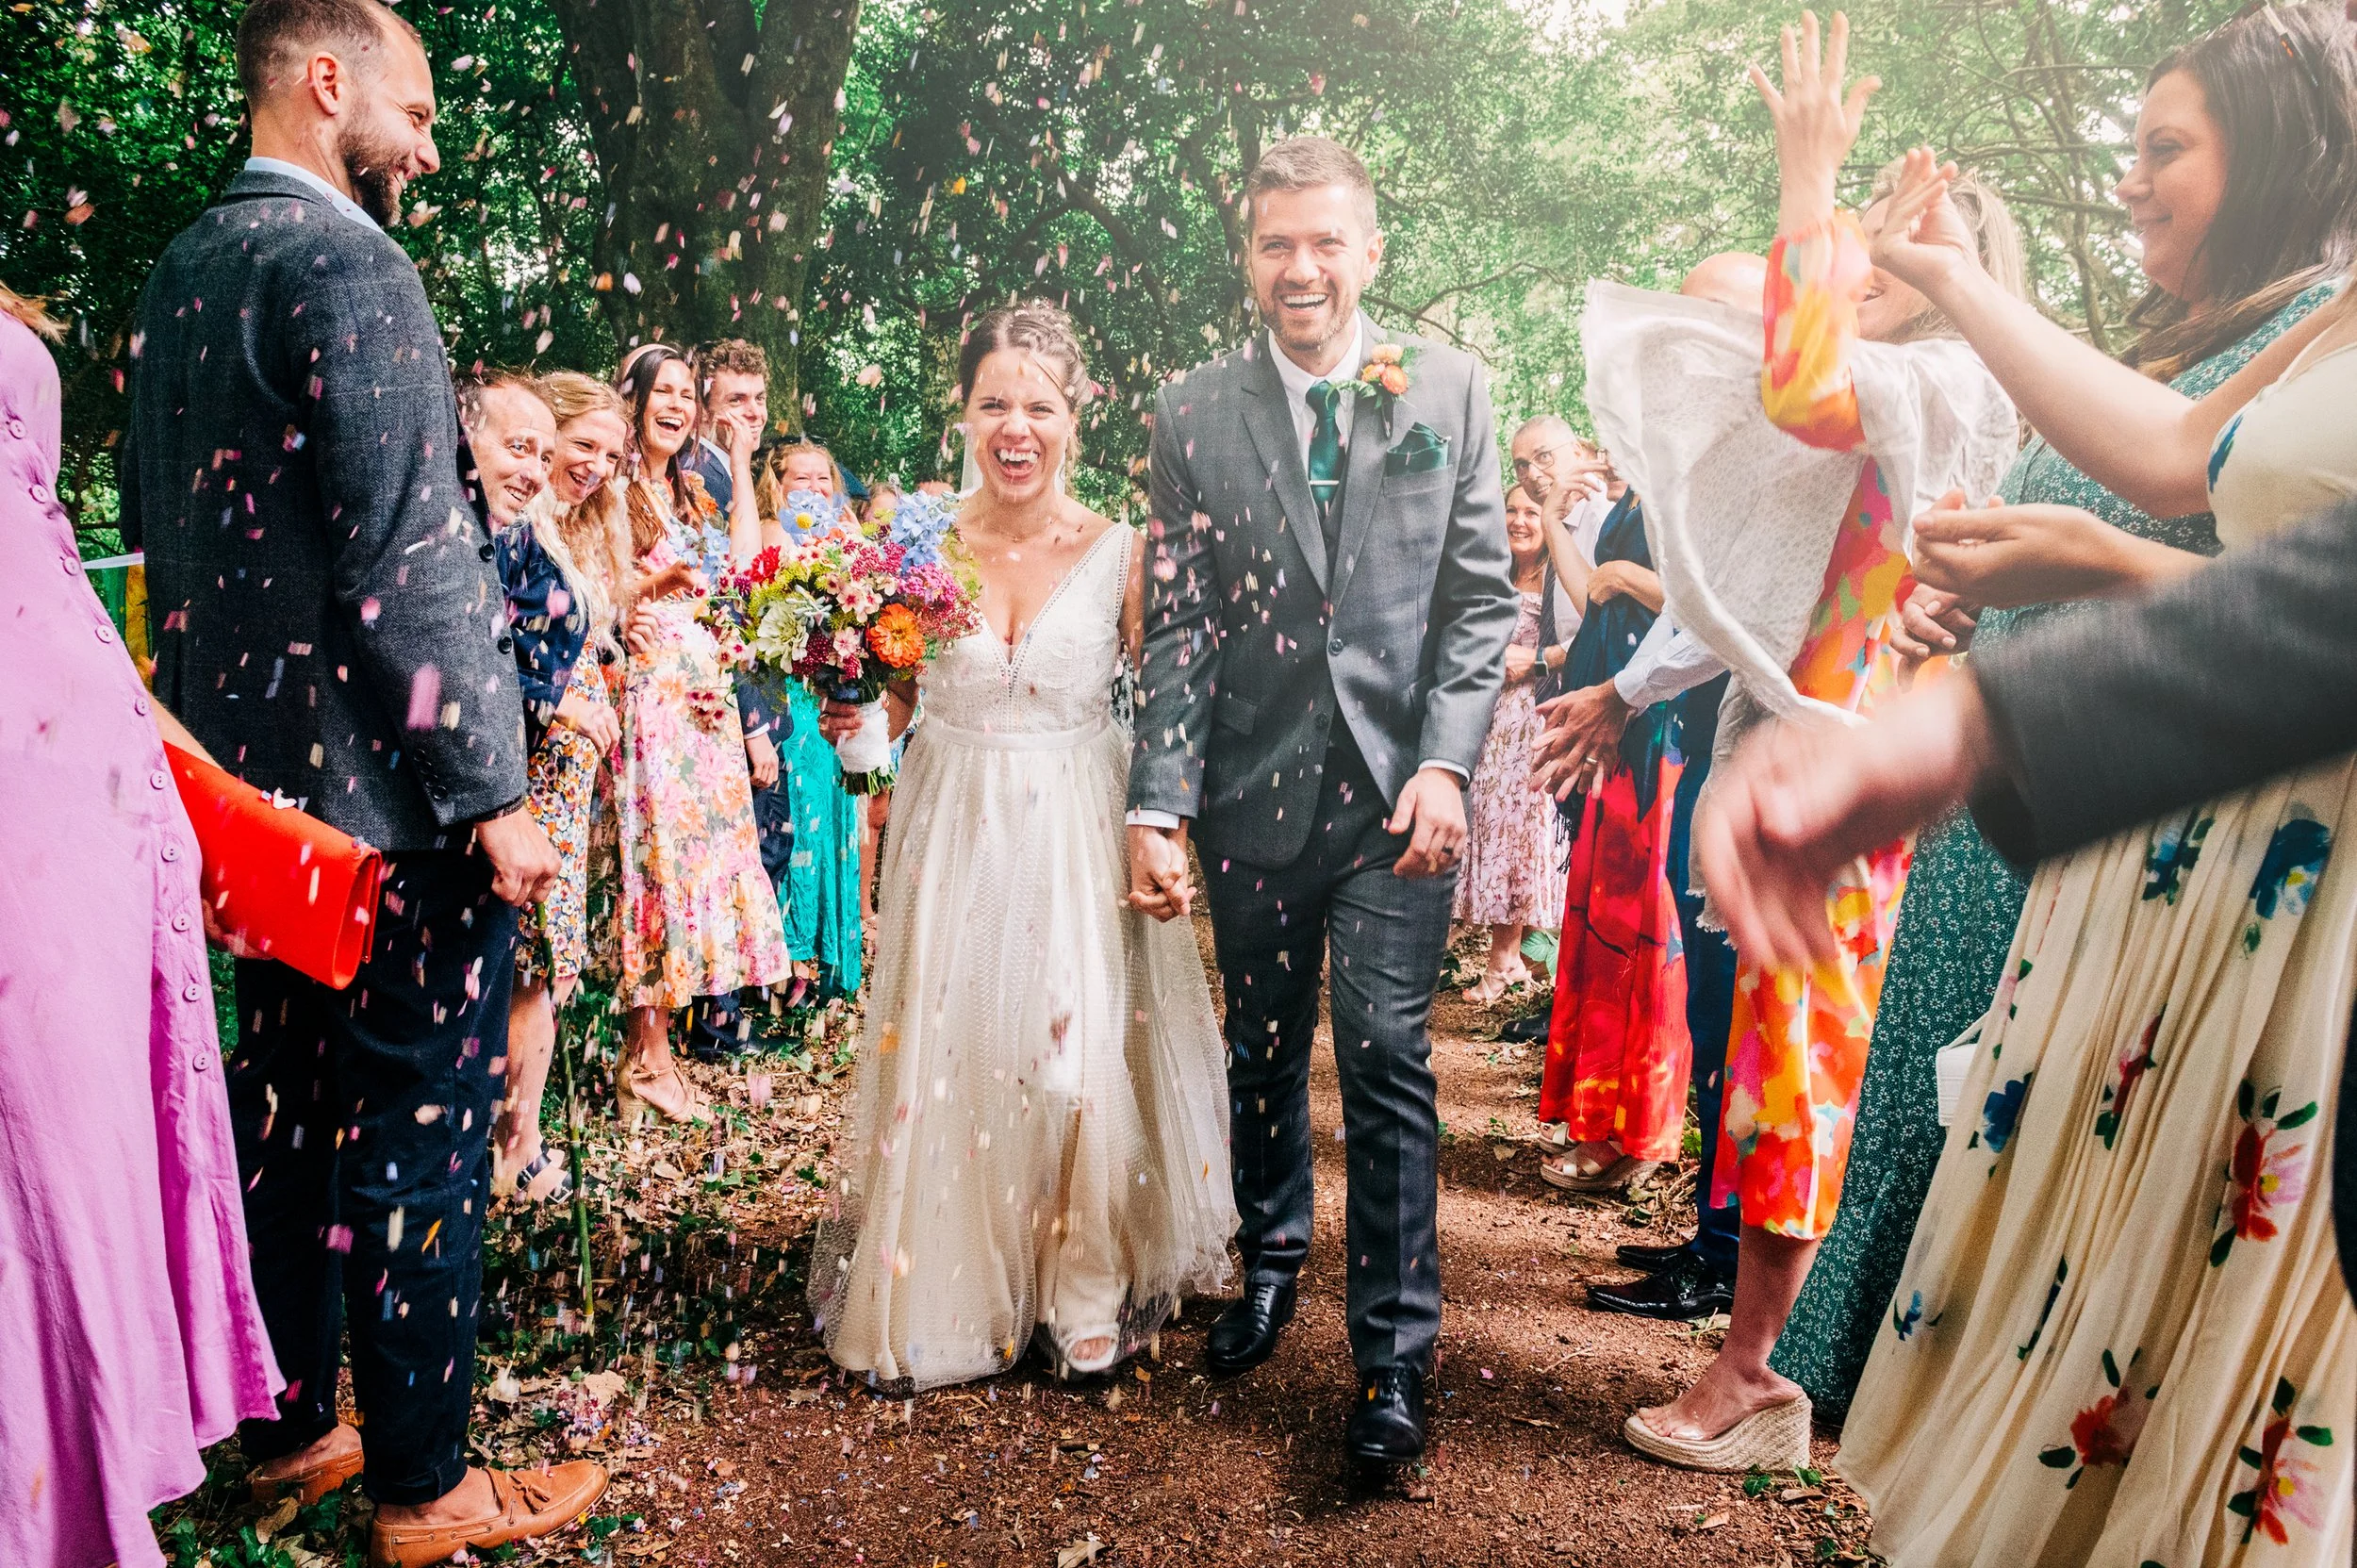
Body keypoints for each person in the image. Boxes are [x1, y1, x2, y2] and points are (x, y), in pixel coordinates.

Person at [1775, 61, 2357, 1563]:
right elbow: (2178, 458)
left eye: (2169, 146)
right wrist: (1952, 275)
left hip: (2293, 882)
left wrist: (2083, 584)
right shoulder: (2331, 317)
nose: (2130, 174)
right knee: (2104, 1300)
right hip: (2162, 873)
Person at [118, 0, 605, 1558]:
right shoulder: (354, 264)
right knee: (419, 1126)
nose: (433, 143)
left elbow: (172, 556)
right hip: (395, 814)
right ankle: (424, 1482)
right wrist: (492, 789)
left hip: (250, 815)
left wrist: (215, 780)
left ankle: (295, 1424)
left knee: (289, 1112)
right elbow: (413, 552)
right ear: (328, 83)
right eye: (416, 107)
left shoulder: (183, 273)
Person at [1574, 11, 2025, 1470]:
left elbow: (1797, 377)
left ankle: (1758, 1372)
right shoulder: (1913, 402)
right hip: (1808, 754)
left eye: (1902, 254)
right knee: (1771, 1049)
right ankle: (1757, 1350)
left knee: (1794, 1059)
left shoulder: (1952, 387)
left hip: (1853, 775)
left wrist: (1807, 172)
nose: (1868, 271)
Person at [1127, 135, 1521, 1467]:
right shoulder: (1189, 412)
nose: (1302, 267)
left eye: (1326, 241)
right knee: (1260, 1044)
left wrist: (1449, 759)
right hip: (1251, 786)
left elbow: (1478, 603)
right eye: (1276, 243)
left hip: (1402, 797)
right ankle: (1272, 1257)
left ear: (1371, 250)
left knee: (1386, 1051)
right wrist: (1157, 802)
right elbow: (1176, 627)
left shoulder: (1451, 390)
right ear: (1248, 254)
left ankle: (1392, 1361)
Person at [809, 303, 1235, 1387]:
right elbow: (890, 701)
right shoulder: (912, 544)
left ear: (1074, 416)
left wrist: (1168, 826)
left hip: (1073, 830)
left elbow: (1175, 701)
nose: (1015, 424)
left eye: (1037, 404)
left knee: (1074, 1065)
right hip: (953, 824)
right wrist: (858, 721)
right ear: (962, 410)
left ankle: (1082, 1277)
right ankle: (946, 1286)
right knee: (955, 1059)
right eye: (993, 400)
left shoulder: (1117, 552)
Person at [0, 284, 282, 1568]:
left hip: (80, 799)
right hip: (32, 818)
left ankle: (84, 1475)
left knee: (80, 1135)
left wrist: (204, 796)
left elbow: (56, 579)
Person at [1556, 254, 1760, 1323]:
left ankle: (1731, 1253)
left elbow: (1719, 607)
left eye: (1712, 312)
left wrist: (1619, 696)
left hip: (1759, 754)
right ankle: (1713, 1232)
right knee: (1717, 997)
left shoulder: (1781, 441)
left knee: (1741, 1002)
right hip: (1703, 732)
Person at [609, 345, 788, 1122]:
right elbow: (600, 581)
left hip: (704, 699)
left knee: (691, 871)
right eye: (664, 391)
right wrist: (644, 598)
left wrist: (742, 458)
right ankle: (640, 1057)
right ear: (635, 400)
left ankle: (658, 1053)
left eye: (688, 393)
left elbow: (746, 568)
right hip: (650, 696)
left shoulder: (691, 491)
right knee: (655, 864)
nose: (676, 405)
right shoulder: (613, 486)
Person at [486, 371, 635, 1202]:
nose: (593, 465)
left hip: (568, 766)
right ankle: (516, 1144)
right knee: (536, 961)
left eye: (608, 455)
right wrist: (560, 699)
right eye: (582, 446)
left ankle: (517, 1134)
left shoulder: (572, 531)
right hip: (533, 766)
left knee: (549, 962)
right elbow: (499, 646)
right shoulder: (515, 532)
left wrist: (599, 665)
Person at [1530, 482, 1695, 1198]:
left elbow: (1708, 606)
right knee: (1603, 926)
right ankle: (1598, 1116)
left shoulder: (1692, 478)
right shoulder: (1632, 487)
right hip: (1619, 716)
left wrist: (1626, 577)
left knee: (1642, 931)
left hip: (1662, 724)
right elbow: (1589, 593)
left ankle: (1639, 1131)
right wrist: (1550, 521)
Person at [751, 436, 867, 999]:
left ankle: (823, 957)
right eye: (802, 479)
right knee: (797, 825)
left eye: (824, 478)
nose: (816, 489)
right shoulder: (774, 531)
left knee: (832, 821)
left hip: (831, 697)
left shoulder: (844, 536)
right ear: (777, 484)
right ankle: (790, 962)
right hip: (791, 699)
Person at [1452, 482, 1569, 1002]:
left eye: (1532, 512)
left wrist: (1536, 660)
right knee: (1484, 820)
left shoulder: (1560, 579)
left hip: (1533, 713)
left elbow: (1586, 634)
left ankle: (1505, 962)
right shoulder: (1489, 573)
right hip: (1485, 716)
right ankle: (1490, 951)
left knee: (1521, 825)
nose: (1520, 521)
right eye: (1512, 510)